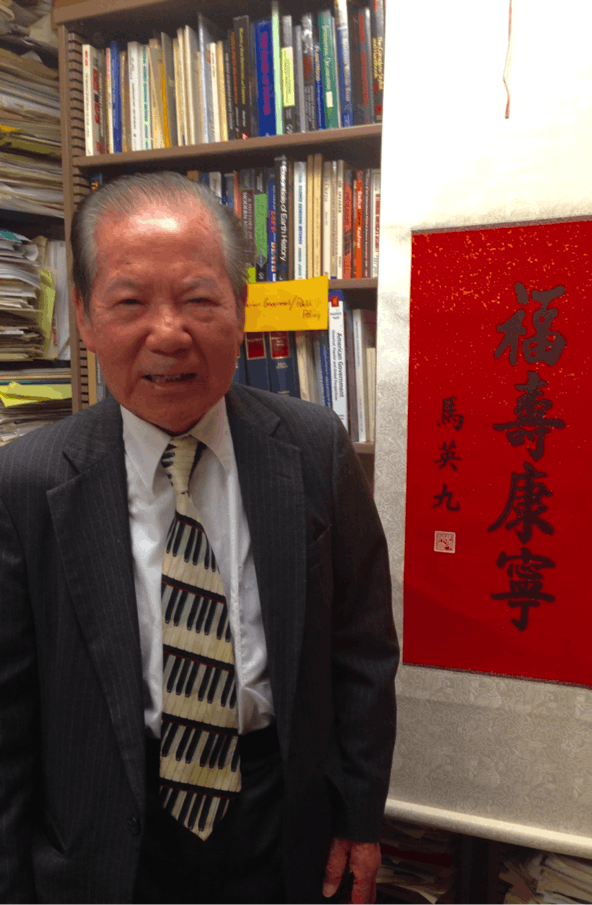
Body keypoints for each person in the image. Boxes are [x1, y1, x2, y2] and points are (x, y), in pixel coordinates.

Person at [0, 171, 399, 905]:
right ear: (85, 319)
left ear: (240, 311)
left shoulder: (312, 446)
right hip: (104, 837)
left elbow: (360, 643)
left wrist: (359, 812)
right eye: (129, 301)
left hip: (279, 823)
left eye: (197, 298)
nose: (169, 332)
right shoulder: (25, 480)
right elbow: (9, 710)